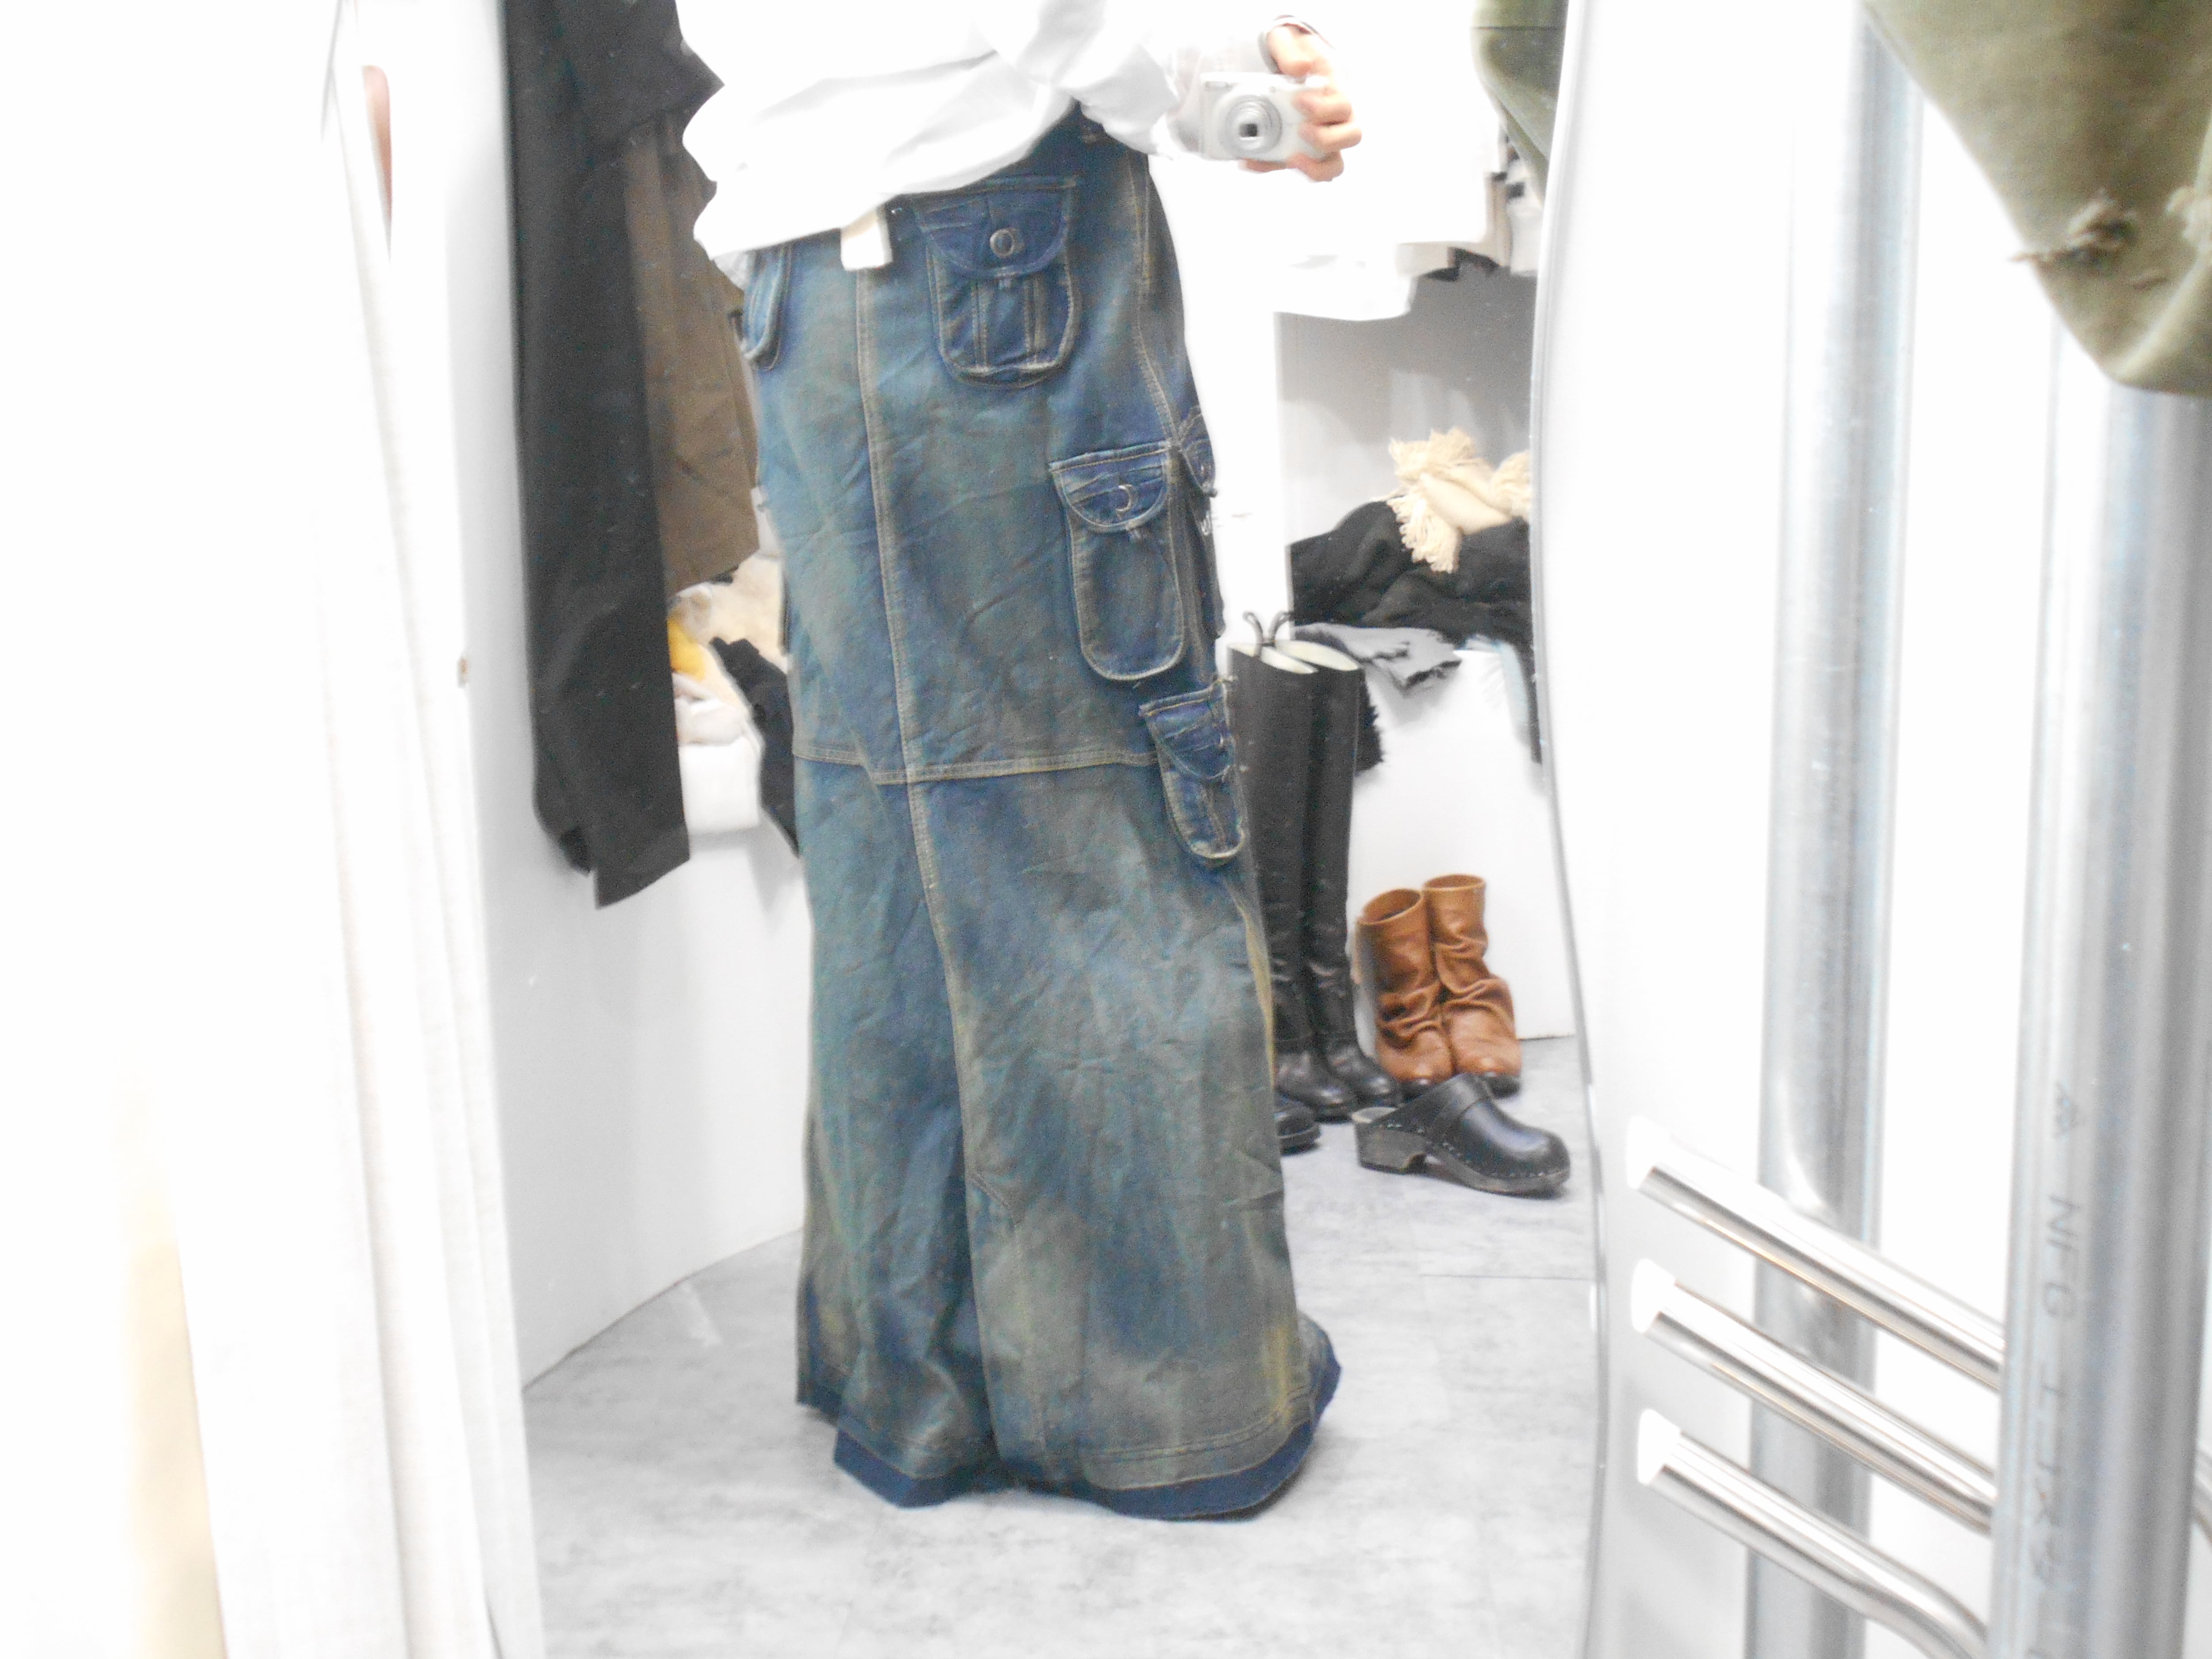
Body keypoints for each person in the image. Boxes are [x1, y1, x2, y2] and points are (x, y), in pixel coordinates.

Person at [672, 2, 1363, 1517]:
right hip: (988, 264)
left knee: (896, 853)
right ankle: (1159, 1408)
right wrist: (1205, 94)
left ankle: (924, 1386)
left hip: (822, 289)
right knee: (1106, 824)